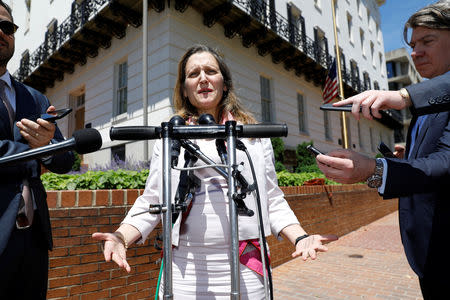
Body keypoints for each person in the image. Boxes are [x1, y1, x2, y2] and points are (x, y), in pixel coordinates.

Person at [93, 44, 338, 299]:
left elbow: (272, 199)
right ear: (185, 90)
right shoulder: (168, 138)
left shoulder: (254, 136)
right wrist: (121, 236)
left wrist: (301, 237)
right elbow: (153, 200)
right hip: (184, 271)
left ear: (224, 84)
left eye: (211, 71)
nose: (202, 78)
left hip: (245, 268)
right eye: (193, 74)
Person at [316, 2, 450, 299]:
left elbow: (444, 163)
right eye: (413, 45)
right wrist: (397, 164)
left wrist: (373, 169)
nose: (416, 52)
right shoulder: (427, 101)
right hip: (428, 256)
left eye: (428, 41)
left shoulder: (419, 96)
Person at [0, 1, 75, 299]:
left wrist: (47, 148)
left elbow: (66, 158)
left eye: (7, 27)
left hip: (33, 236)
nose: (1, 32)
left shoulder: (36, 97)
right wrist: (33, 148)